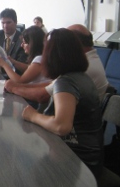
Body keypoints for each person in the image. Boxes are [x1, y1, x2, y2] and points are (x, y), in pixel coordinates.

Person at [21, 28, 103, 178]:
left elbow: (61, 126)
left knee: (24, 168)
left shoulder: (66, 82)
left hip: (77, 158)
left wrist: (33, 116)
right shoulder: (81, 77)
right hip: (88, 152)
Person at [5, 24, 108, 103]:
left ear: (74, 44)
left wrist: (15, 88)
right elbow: (52, 85)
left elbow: (43, 96)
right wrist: (18, 87)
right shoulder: (88, 59)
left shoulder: (83, 69)